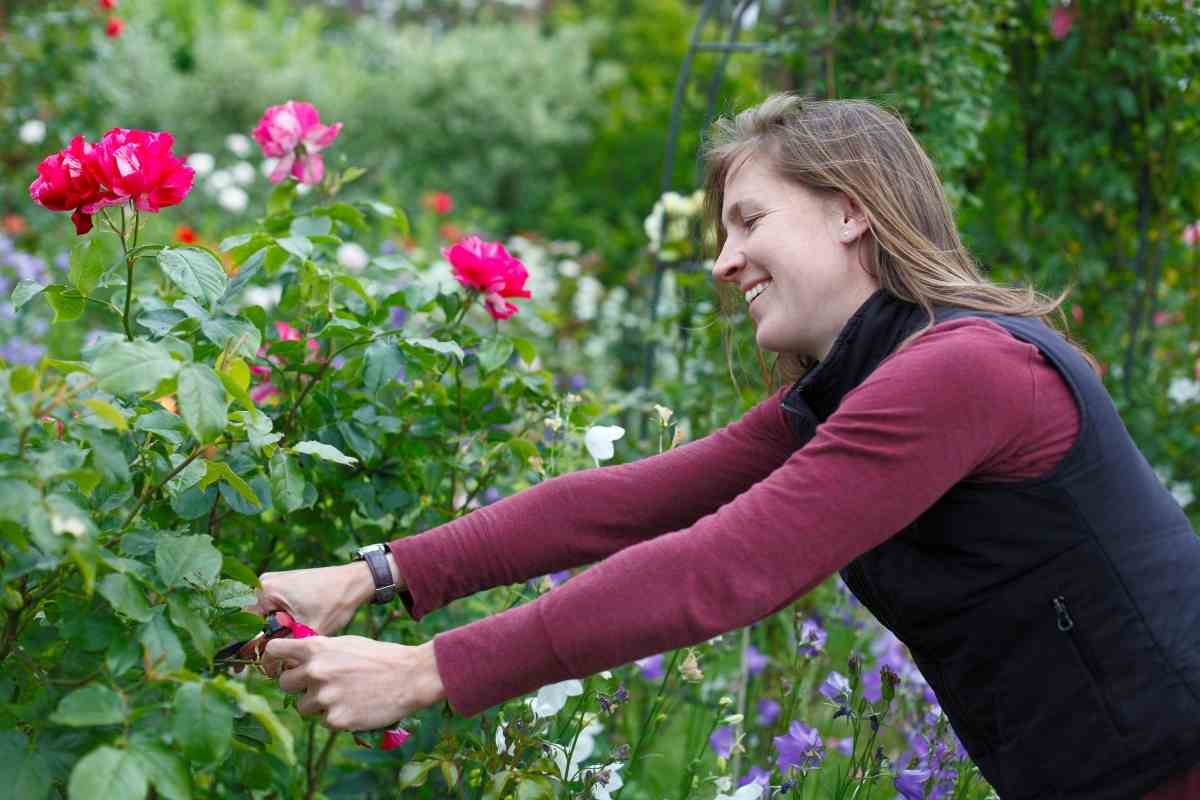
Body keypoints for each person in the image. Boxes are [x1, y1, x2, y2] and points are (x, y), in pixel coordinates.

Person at [252, 94, 1200, 799]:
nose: (723, 258)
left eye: (750, 220)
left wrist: (425, 671)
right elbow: (618, 504)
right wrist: (369, 574)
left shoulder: (964, 371)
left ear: (850, 209)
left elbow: (726, 568)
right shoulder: (859, 387)